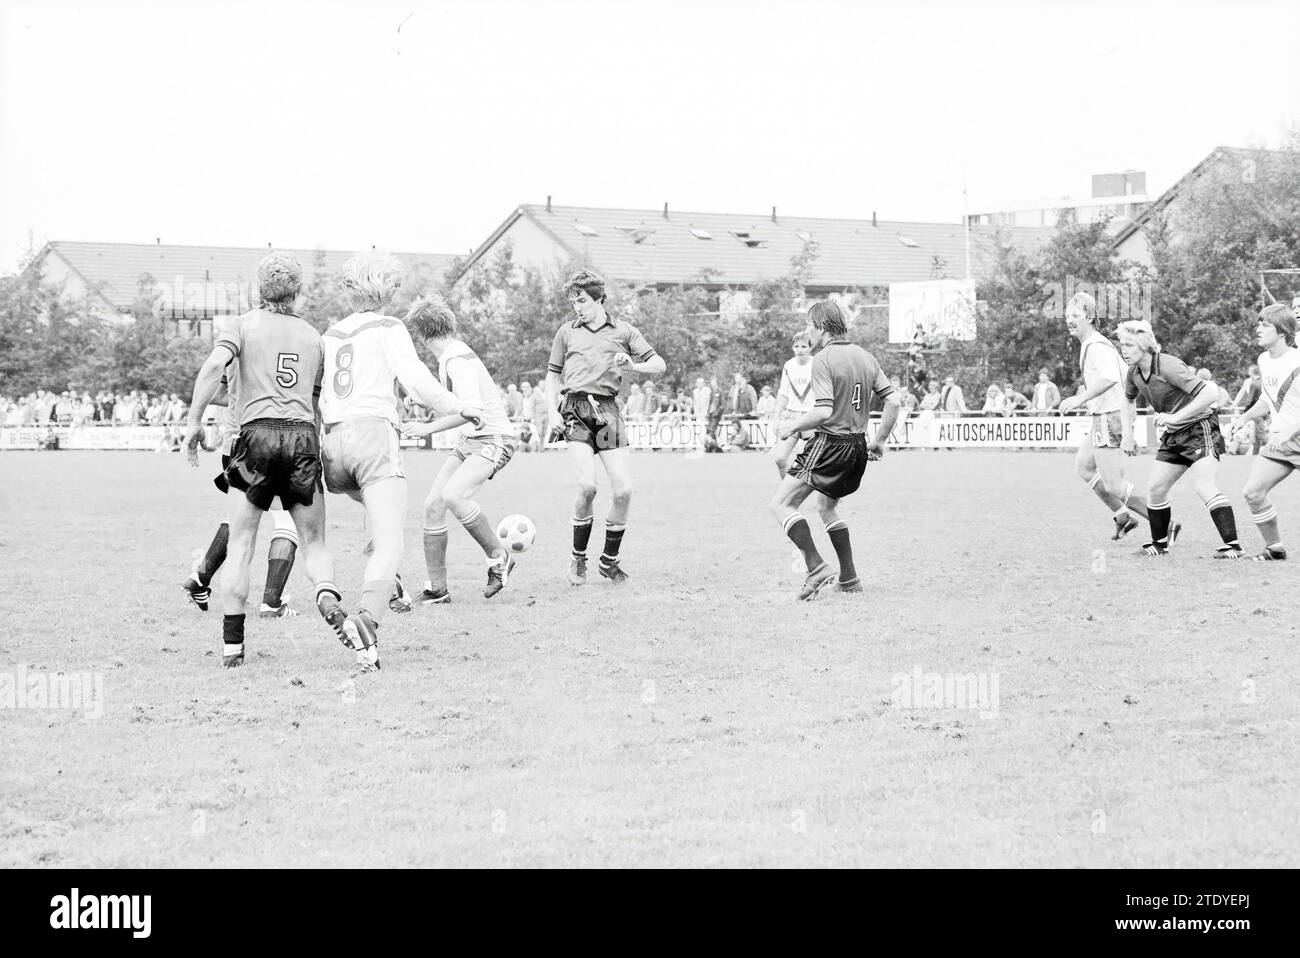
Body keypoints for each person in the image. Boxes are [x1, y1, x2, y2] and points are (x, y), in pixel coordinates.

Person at [183, 252, 363, 668]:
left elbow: (214, 367)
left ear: (258, 289)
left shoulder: (242, 325)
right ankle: (328, 598)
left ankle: (233, 650)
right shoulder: (313, 337)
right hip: (302, 437)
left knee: (242, 544)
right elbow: (318, 401)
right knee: (315, 543)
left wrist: (194, 423)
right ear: (297, 292)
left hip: (256, 436)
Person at [318, 255, 482, 666]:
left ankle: (390, 586)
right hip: (372, 435)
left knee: (376, 514)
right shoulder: (389, 327)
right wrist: (459, 406)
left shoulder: (332, 333)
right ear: (388, 290)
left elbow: (322, 393)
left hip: (333, 442)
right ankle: (368, 618)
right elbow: (416, 378)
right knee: (392, 537)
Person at [770, 301, 900, 599]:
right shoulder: (866, 357)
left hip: (830, 445)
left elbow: (823, 410)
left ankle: (816, 568)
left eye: (810, 326)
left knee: (780, 504)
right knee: (826, 507)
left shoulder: (823, 359)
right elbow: (893, 401)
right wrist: (879, 441)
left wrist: (791, 426)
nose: (808, 332)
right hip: (857, 448)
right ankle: (850, 578)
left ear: (822, 327)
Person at [181, 311, 305, 622]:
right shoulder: (281, 341)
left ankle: (201, 577)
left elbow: (220, 389)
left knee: (238, 522)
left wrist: (205, 411)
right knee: (286, 523)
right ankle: (272, 602)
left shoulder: (239, 338)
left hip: (232, 442)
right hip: (262, 440)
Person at [546, 269, 665, 585]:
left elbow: (659, 365)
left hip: (608, 412)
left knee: (624, 490)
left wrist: (633, 365)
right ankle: (578, 559)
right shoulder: (566, 332)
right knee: (588, 486)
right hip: (576, 409)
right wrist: (550, 410)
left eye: (582, 300)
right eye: (573, 302)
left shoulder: (624, 331)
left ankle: (609, 562)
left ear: (599, 299)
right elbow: (551, 376)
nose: (577, 307)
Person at [400, 294, 516, 602]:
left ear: (419, 334)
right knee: (433, 505)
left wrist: (427, 427)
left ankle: (498, 556)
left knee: (454, 495)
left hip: (493, 439)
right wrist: (425, 401)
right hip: (470, 442)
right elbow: (458, 405)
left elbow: (471, 410)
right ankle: (437, 590)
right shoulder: (451, 356)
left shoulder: (456, 360)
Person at [1117, 318, 1241, 557]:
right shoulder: (1133, 372)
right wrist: (1128, 433)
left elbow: (1211, 392)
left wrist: (1175, 417)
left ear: (1145, 345)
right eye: (1122, 344)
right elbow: (1128, 400)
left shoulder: (1168, 366)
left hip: (1200, 428)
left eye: (1129, 345)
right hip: (1174, 435)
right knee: (1156, 488)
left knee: (1204, 485)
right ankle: (1159, 545)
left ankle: (1234, 546)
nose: (1124, 350)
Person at [1057, 292, 1149, 540]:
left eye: (1075, 315)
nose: (1069, 320)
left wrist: (1080, 398)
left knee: (1114, 485)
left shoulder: (1096, 345)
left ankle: (1167, 522)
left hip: (1109, 416)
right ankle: (1122, 516)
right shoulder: (1092, 344)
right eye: (1067, 315)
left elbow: (1110, 377)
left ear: (1089, 316)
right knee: (1084, 467)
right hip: (1103, 416)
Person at [1228, 304, 1300, 560]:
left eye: (1264, 325)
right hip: (1282, 442)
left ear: (1281, 331)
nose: (1258, 329)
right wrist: (1244, 417)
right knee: (1253, 492)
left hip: (1293, 434)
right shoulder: (1264, 360)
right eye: (1258, 323)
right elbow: (1269, 401)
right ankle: (1275, 549)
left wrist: (1292, 427)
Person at [771, 330, 815, 479]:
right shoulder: (788, 366)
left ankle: (832, 494)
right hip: (791, 416)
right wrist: (776, 417)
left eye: (803, 346)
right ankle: (788, 493)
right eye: (797, 346)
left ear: (810, 348)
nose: (800, 350)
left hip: (811, 418)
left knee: (820, 462)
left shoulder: (817, 364)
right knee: (779, 458)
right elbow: (783, 393)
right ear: (793, 348)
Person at [1233, 365, 1265, 455]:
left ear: (1251, 372)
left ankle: (1233, 448)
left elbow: (1249, 399)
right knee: (1258, 433)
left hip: (1253, 410)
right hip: (1262, 410)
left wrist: (1245, 412)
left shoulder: (1253, 383)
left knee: (1256, 433)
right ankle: (1255, 453)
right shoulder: (1263, 381)